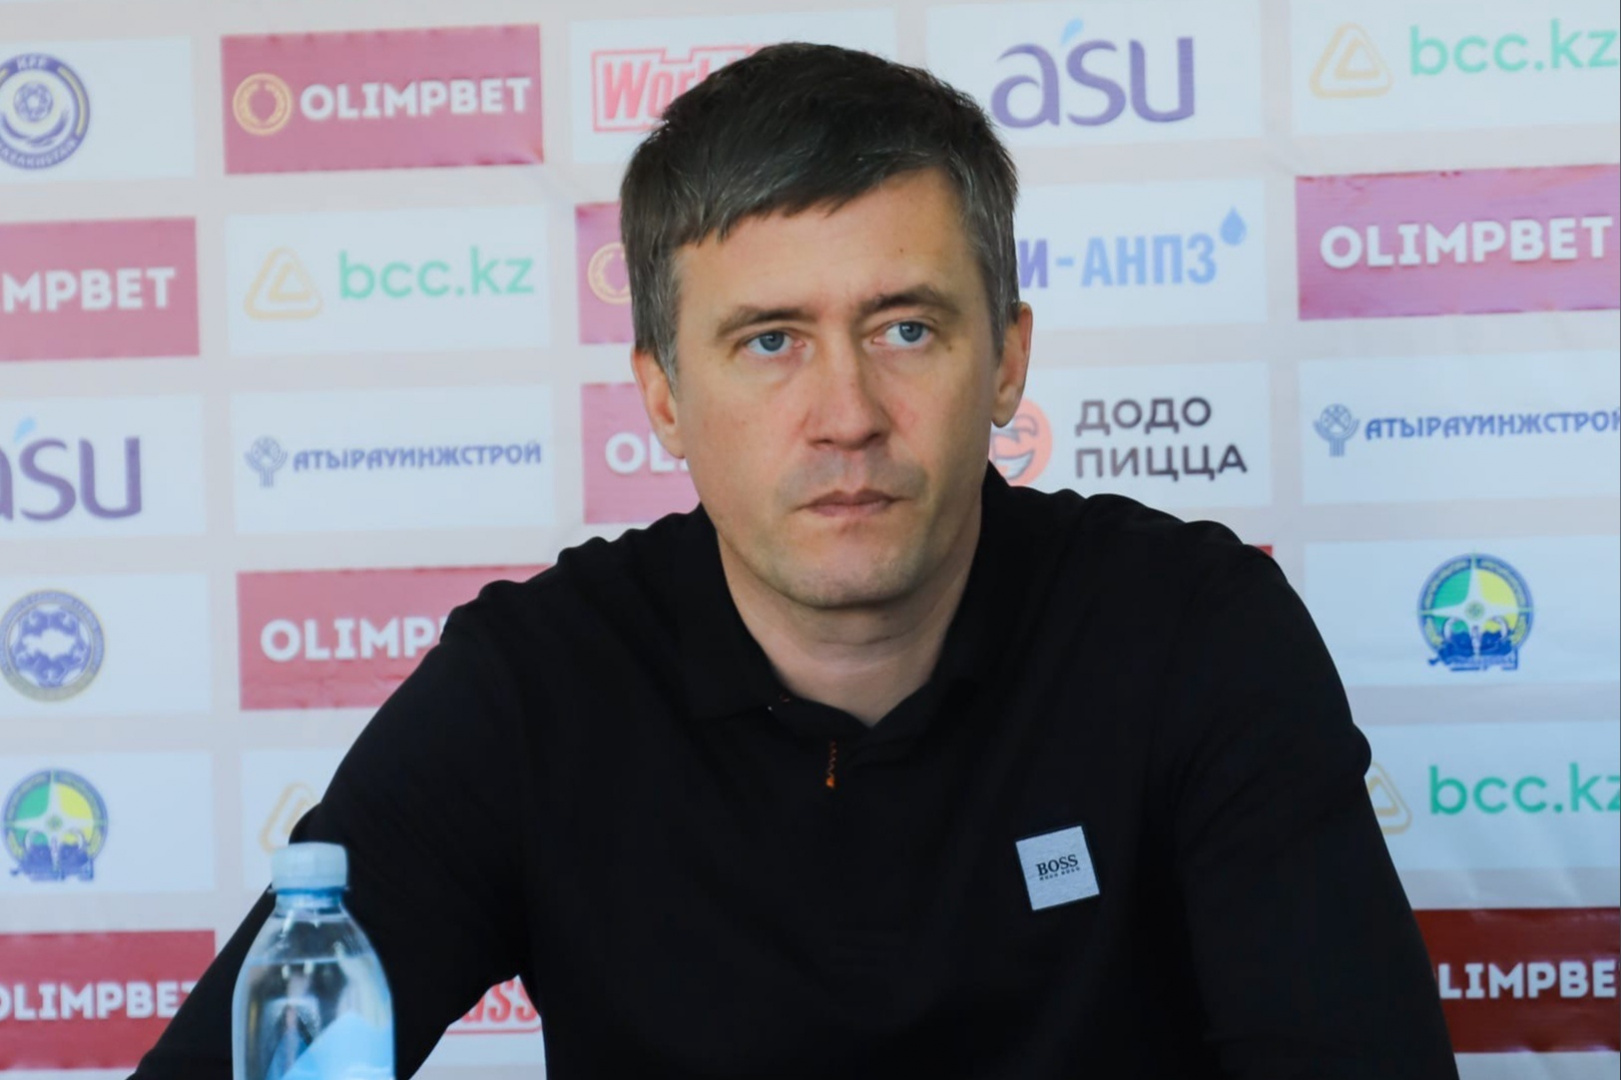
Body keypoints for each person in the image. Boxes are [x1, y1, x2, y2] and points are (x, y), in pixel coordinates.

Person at [133, 44, 1458, 1079]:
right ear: (662, 396)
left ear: (1007, 359)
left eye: (905, 328)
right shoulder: (535, 690)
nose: (846, 415)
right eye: (769, 341)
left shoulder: (1192, 634)